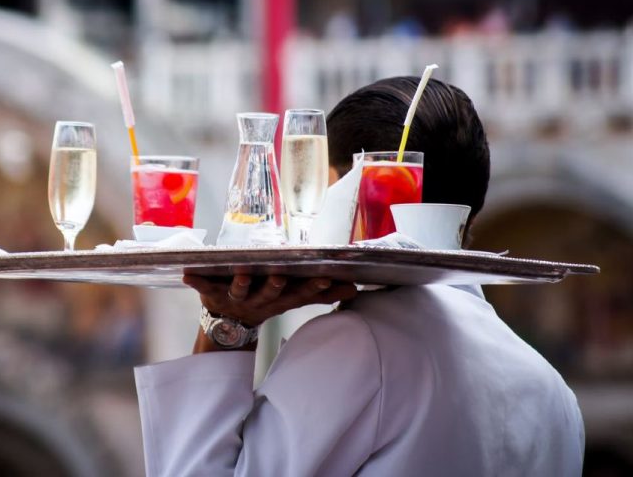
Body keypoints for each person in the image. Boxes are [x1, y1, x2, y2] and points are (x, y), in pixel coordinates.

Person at [134, 77, 584, 476]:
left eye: (324, 192)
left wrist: (224, 325)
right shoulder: (553, 392)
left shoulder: (358, 345)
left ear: (358, 198)